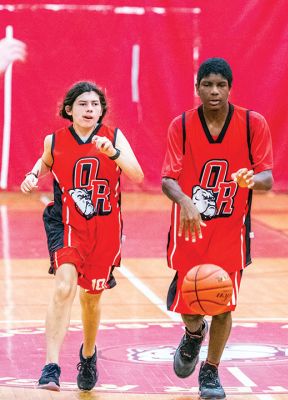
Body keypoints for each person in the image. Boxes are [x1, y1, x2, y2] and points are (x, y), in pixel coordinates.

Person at [21, 81, 144, 391]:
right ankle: (51, 366)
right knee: (64, 286)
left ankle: (88, 354)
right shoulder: (55, 140)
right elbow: (46, 161)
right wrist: (34, 174)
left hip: (104, 229)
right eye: (83, 104)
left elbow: (138, 175)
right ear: (69, 110)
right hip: (67, 224)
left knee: (91, 299)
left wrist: (114, 153)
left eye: (95, 104)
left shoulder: (113, 137)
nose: (90, 109)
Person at [161, 58, 273, 399]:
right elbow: (167, 180)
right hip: (190, 229)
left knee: (223, 304)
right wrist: (185, 201)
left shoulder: (253, 124)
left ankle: (210, 372)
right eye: (207, 84)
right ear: (197, 88)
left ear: (229, 88)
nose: (213, 91)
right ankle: (194, 334)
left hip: (231, 231)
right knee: (190, 306)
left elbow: (267, 178)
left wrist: (252, 180)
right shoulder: (180, 125)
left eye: (220, 85)